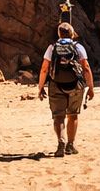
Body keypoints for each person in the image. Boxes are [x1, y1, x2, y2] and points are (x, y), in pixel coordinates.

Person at [37, 21, 95, 157]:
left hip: (56, 85)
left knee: (58, 117)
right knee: (73, 115)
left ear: (59, 34)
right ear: (72, 34)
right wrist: (90, 87)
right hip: (75, 85)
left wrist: (40, 87)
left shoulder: (52, 47)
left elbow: (44, 69)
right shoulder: (78, 47)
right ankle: (70, 145)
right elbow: (86, 68)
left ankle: (60, 142)